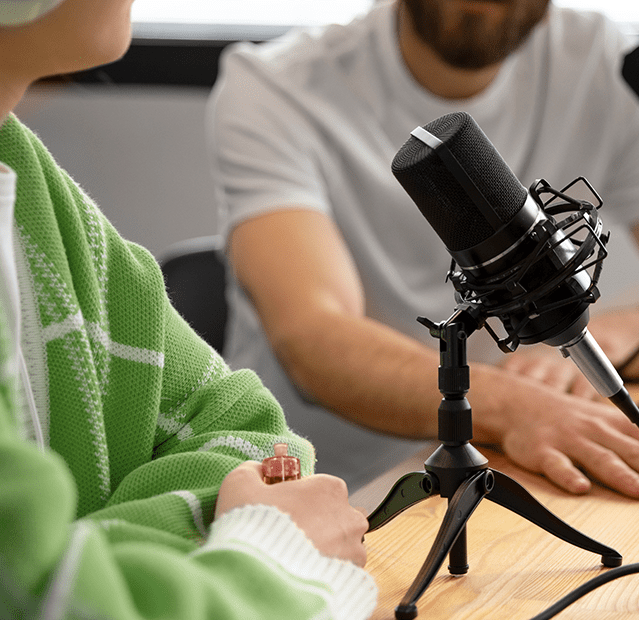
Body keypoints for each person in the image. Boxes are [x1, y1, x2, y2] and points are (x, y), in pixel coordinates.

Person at [207, 0, 639, 499]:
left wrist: (609, 342)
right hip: (315, 486)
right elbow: (314, 337)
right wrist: (513, 407)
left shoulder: (598, 62)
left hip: (515, 462)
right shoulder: (273, 85)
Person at [0, 0, 376, 616]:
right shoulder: (279, 77)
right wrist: (270, 551)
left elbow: (250, 431)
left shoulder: (36, 189)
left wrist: (100, 559)